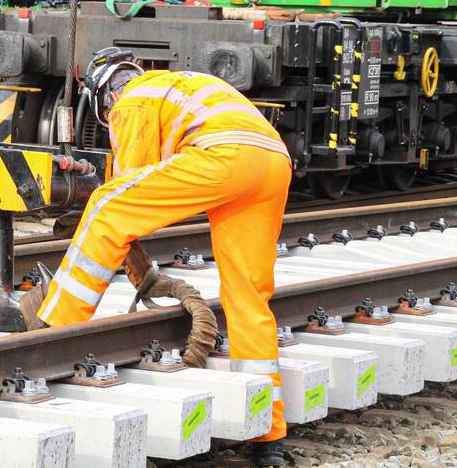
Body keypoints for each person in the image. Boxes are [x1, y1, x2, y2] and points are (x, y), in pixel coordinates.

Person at [36, 47, 293, 466]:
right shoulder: (177, 85)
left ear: (106, 97)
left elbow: (129, 190)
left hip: (223, 157)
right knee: (248, 297)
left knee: (105, 207)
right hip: (272, 163)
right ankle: (268, 435)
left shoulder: (132, 99)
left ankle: (55, 328)